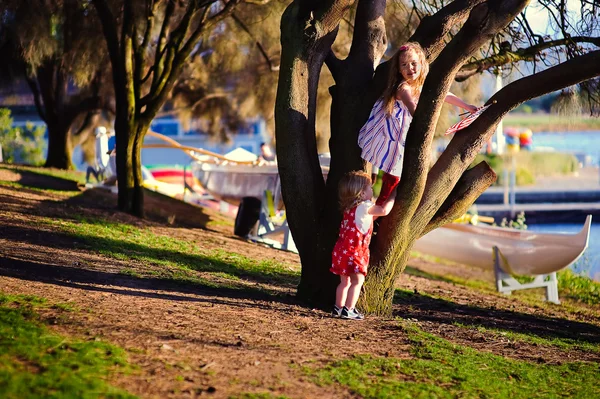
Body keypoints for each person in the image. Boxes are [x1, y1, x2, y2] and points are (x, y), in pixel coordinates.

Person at [358, 42, 478, 206]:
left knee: (399, 180)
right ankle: (377, 214)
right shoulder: (403, 88)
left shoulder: (422, 85)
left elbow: (445, 95)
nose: (410, 68)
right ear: (399, 69)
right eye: (404, 65)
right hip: (394, 136)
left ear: (421, 63)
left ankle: (383, 212)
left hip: (405, 136)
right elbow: (412, 107)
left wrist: (467, 107)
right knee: (392, 179)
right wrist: (424, 121)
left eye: (414, 63)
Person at [330, 171, 396, 320]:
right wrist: (392, 195)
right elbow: (383, 211)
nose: (372, 190)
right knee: (357, 282)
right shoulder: (365, 206)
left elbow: (372, 216)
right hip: (355, 252)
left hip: (341, 251)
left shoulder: (350, 208)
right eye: (369, 188)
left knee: (344, 282)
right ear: (361, 193)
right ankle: (349, 309)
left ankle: (338, 307)